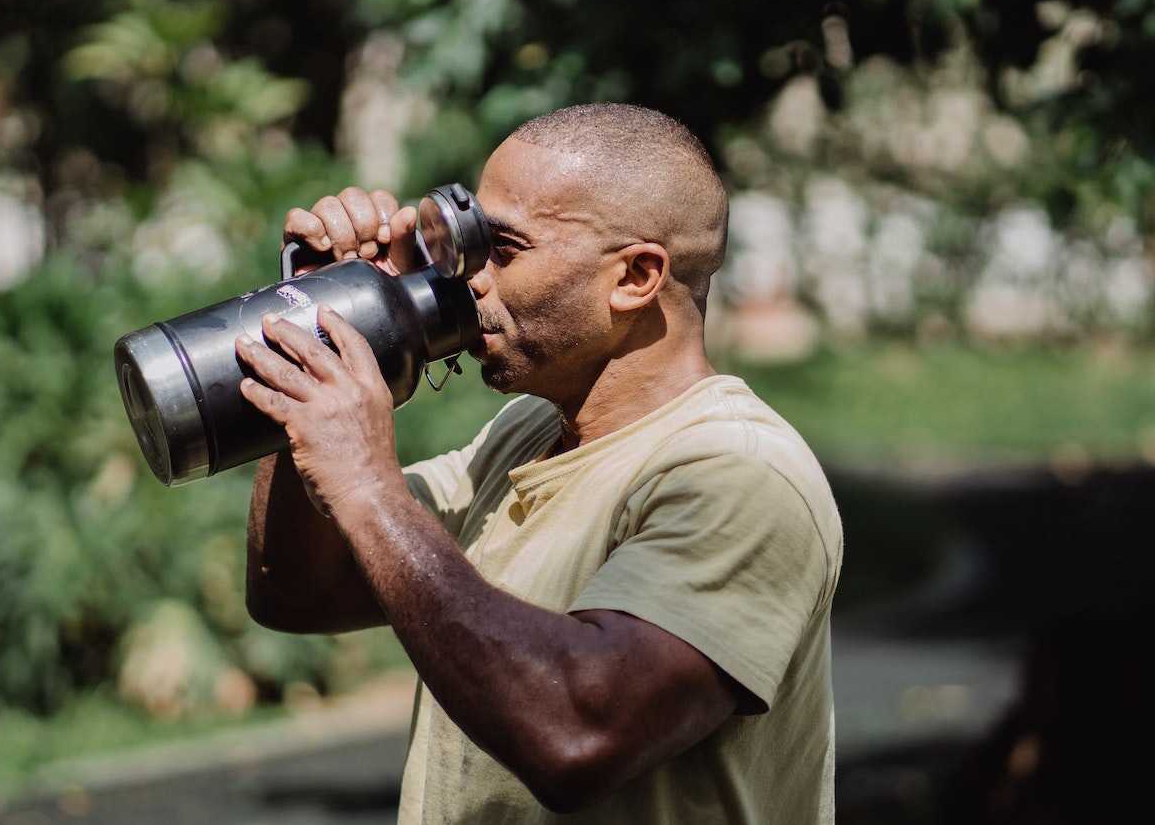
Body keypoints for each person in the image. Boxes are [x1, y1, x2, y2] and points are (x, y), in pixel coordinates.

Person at [234, 103, 843, 823]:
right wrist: (321, 319)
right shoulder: (526, 432)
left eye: (504, 249)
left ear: (635, 276)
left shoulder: (740, 473)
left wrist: (367, 485)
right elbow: (300, 594)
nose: (468, 278)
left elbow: (578, 734)